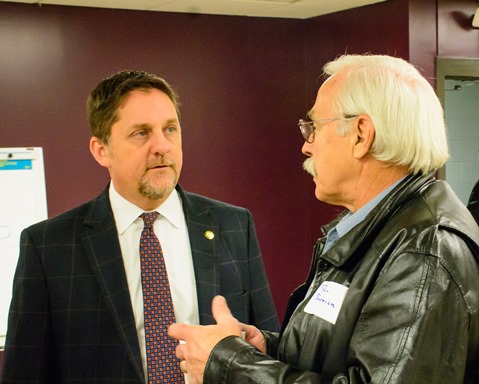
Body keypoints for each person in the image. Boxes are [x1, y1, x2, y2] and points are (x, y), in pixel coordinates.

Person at [169, 54, 479, 384]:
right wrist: (265, 350)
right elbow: (343, 356)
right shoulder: (377, 229)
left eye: (314, 127)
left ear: (361, 135)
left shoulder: (424, 251)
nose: (306, 146)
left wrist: (232, 365)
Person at [1, 70, 279, 383]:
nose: (162, 146)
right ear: (101, 150)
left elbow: (268, 350)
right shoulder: (48, 247)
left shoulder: (232, 225)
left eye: (170, 129)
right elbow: (24, 374)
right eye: (141, 133)